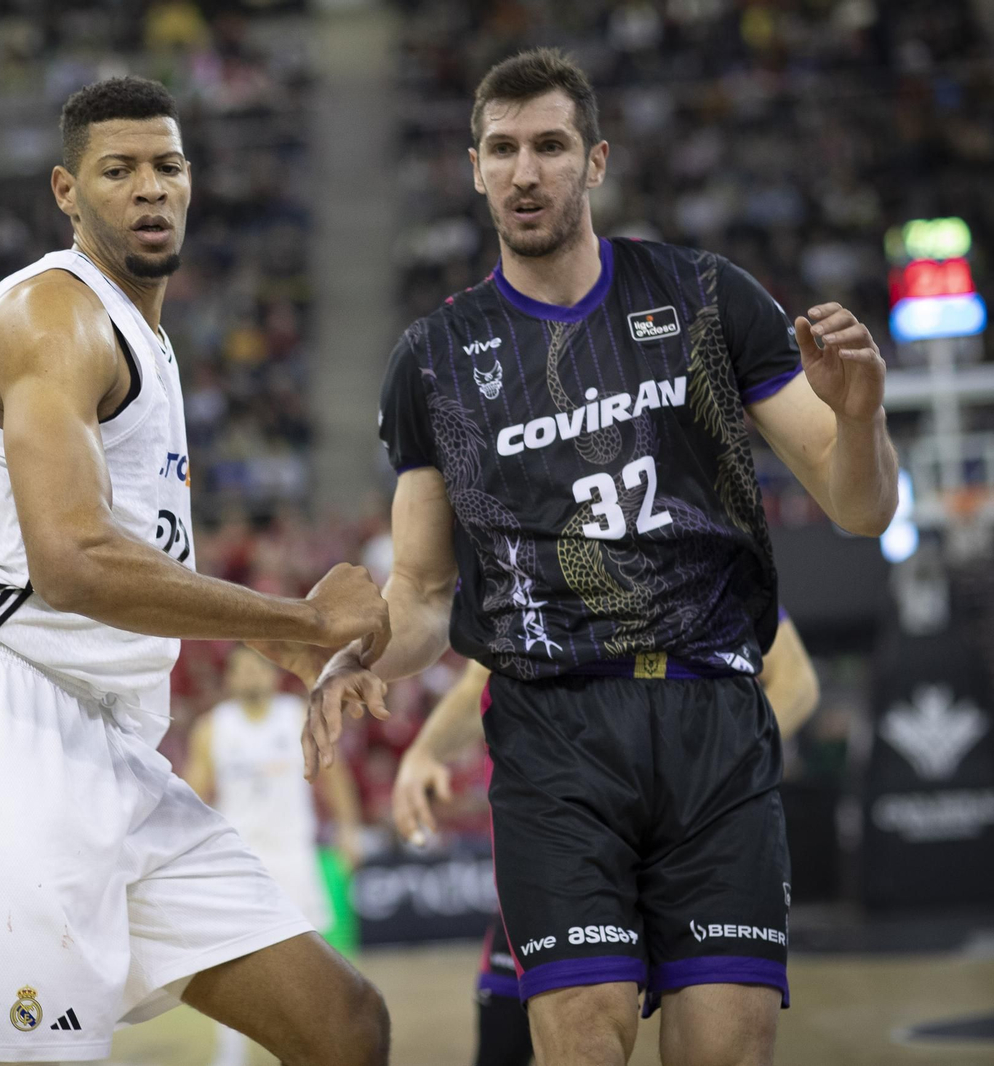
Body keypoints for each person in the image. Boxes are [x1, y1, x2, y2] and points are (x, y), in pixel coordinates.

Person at [285, 47, 897, 1066]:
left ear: (595, 160)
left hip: (711, 717)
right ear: (473, 167)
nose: (526, 170)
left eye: (550, 146)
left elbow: (859, 506)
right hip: (552, 733)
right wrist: (360, 657)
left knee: (726, 1049)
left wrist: (863, 418)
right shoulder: (432, 360)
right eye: (503, 148)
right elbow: (426, 595)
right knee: (581, 1036)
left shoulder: (705, 298)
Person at [0, 76, 392, 1066]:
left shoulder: (147, 346)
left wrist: (269, 644)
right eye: (117, 171)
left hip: (108, 738)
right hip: (0, 709)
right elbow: (71, 561)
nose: (148, 188)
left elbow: (144, 558)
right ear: (66, 193)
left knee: (345, 1025)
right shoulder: (50, 313)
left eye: (166, 166)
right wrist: (299, 620)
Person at [391, 612, 820, 1066]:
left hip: (697, 798)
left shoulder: (709, 559)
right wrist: (426, 751)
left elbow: (797, 681)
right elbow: (477, 669)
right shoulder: (528, 563)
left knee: (723, 1034)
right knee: (522, 1035)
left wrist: (720, 757)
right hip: (560, 798)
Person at [183, 646, 365, 1066]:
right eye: (242, 669)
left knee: (311, 962)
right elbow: (194, 797)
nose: (250, 676)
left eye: (257, 668)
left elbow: (335, 780)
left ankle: (314, 1048)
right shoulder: (213, 729)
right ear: (229, 680)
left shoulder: (298, 716)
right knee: (230, 962)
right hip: (238, 861)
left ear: (272, 676)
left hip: (294, 856)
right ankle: (230, 1054)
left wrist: (349, 831)